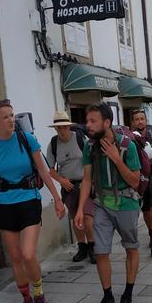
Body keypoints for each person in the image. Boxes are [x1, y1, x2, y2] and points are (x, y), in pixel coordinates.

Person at [0, 99, 65, 303]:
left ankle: (40, 296)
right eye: (5, 117)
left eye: (12, 115)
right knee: (15, 257)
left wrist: (57, 198)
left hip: (28, 199)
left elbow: (43, 171)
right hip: (4, 203)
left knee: (27, 253)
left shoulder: (26, 139)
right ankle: (26, 301)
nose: (11, 120)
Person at [75, 103, 141, 303]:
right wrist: (80, 208)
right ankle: (108, 298)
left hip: (127, 203)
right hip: (102, 203)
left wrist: (116, 158)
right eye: (87, 120)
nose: (88, 125)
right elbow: (86, 179)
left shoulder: (127, 146)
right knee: (101, 251)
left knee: (131, 248)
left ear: (107, 122)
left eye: (93, 121)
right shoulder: (88, 147)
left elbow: (134, 181)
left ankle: (128, 295)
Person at [45, 111, 95, 264]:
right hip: (68, 188)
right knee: (75, 218)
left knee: (86, 216)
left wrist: (92, 180)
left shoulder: (81, 139)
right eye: (59, 128)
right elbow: (50, 169)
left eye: (64, 127)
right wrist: (61, 180)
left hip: (84, 183)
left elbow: (92, 160)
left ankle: (93, 246)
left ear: (69, 126)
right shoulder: (53, 144)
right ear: (55, 129)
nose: (62, 131)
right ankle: (82, 247)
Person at [129, 109, 152, 258]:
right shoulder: (129, 138)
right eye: (136, 119)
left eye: (142, 118)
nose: (140, 121)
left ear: (146, 120)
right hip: (139, 178)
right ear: (133, 122)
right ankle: (151, 233)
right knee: (146, 211)